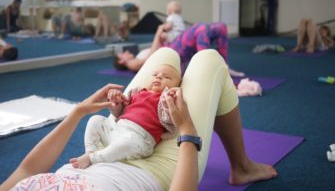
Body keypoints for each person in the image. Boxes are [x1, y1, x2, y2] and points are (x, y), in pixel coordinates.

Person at [0, 48, 277, 190]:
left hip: (108, 146)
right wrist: (187, 131)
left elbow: (25, 173)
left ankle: (241, 165)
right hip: (151, 169)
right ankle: (241, 166)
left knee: (164, 57)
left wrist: (79, 111)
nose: (157, 79)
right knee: (208, 59)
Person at [69, 64, 181, 169]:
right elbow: (119, 113)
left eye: (167, 77)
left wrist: (169, 103)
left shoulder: (165, 100)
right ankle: (90, 150)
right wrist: (115, 102)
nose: (159, 77)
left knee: (126, 144)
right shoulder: (137, 93)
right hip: (117, 130)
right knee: (95, 120)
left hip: (139, 140)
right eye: (155, 75)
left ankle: (93, 158)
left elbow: (170, 121)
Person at [115, 22, 245, 77]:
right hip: (174, 53)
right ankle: (208, 71)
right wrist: (158, 30)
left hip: (173, 48)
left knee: (221, 27)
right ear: (121, 62)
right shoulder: (132, 64)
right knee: (201, 29)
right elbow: (152, 56)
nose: (126, 52)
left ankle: (223, 66)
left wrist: (162, 36)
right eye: (122, 54)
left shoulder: (137, 56)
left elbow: (155, 49)